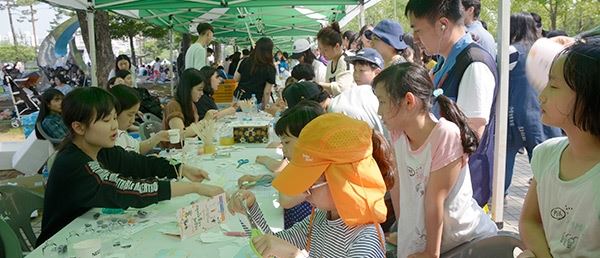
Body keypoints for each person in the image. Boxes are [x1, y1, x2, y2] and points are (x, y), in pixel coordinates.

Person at [37, 87, 224, 246]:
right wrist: (193, 188)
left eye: (113, 118)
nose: (114, 127)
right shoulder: (74, 164)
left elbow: (139, 163)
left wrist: (181, 168)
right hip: (59, 244)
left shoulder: (101, 149)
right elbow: (127, 189)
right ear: (79, 127)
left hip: (86, 234)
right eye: (105, 120)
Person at [373, 62, 497, 257]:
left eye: (382, 102)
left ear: (408, 101)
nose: (379, 111)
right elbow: (398, 186)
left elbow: (434, 201)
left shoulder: (445, 135)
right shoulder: (397, 131)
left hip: (464, 242)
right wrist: (403, 230)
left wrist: (431, 252)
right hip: (429, 240)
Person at [229, 112, 395, 257]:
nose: (303, 191)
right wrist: (250, 209)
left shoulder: (366, 242)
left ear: (341, 181)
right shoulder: (320, 218)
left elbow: (283, 249)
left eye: (309, 184)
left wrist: (294, 255)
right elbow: (270, 245)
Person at [406, 0, 498, 206]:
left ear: (443, 25)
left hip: (463, 190)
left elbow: (471, 133)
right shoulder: (445, 60)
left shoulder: (474, 64)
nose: (415, 39)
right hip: (441, 180)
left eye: (418, 30)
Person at [519, 30, 600, 258]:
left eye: (553, 86)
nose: (541, 95)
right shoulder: (546, 154)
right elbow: (529, 220)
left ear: (590, 97)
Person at [239, 101, 325, 229]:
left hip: (304, 235)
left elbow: (286, 200)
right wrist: (258, 179)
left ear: (307, 141)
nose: (283, 149)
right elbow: (283, 175)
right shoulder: (303, 165)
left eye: (286, 142)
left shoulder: (316, 172)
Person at [504, 13, 562, 193]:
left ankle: (499, 195)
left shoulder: (511, 51)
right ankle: (552, 193)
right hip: (542, 109)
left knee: (505, 156)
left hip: (515, 111)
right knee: (545, 157)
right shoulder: (544, 51)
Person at [109, 85, 169, 154]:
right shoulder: (109, 141)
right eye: (130, 115)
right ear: (115, 112)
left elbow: (138, 148)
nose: (133, 120)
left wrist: (158, 137)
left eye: (135, 114)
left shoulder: (122, 134)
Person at [163, 68, 215, 148]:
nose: (202, 93)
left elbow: (194, 132)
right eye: (199, 89)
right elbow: (181, 134)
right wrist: (205, 121)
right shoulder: (173, 106)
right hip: (176, 153)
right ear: (188, 88)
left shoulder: (192, 105)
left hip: (190, 149)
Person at [233, 37, 276, 109]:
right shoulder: (270, 68)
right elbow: (267, 92)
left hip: (239, 99)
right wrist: (265, 109)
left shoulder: (244, 61)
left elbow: (235, 79)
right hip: (255, 101)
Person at [316, 22, 354, 96]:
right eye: (320, 49)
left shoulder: (346, 60)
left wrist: (320, 84)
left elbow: (342, 88)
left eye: (325, 50)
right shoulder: (330, 63)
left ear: (336, 46)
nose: (322, 53)